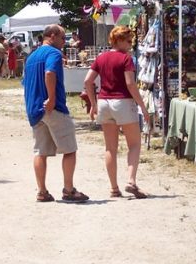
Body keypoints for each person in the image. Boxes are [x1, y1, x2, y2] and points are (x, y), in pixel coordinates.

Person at [22, 24, 89, 203]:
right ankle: (68, 190)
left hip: (34, 109)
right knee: (69, 149)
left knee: (40, 152)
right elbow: (50, 73)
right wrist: (51, 99)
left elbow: (25, 82)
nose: (64, 42)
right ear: (51, 36)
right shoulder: (54, 54)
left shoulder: (31, 57)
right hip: (53, 108)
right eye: (62, 38)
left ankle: (42, 191)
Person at [84, 25, 150, 199]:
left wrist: (93, 103)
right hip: (123, 101)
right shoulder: (125, 58)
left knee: (110, 148)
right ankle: (131, 180)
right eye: (128, 41)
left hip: (104, 102)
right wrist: (142, 106)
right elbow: (130, 83)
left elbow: (87, 80)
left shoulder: (101, 57)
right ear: (119, 40)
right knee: (134, 144)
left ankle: (114, 188)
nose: (130, 44)